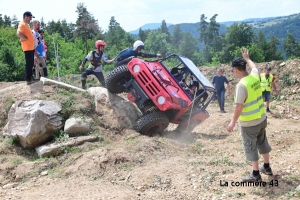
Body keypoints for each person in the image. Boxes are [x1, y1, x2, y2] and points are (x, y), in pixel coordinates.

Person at [227, 48, 273, 182]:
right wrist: (247, 58)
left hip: (249, 123)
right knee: (262, 142)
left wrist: (233, 122)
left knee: (251, 146)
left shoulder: (241, 85)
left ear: (235, 69)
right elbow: (254, 67)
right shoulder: (254, 76)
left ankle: (256, 174)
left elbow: (238, 106)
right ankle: (267, 167)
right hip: (261, 119)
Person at [17, 11, 36, 85]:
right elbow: (18, 32)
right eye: (30, 17)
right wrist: (24, 37)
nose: (31, 19)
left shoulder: (27, 25)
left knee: (31, 63)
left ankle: (30, 77)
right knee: (29, 64)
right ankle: (28, 79)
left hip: (31, 48)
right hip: (27, 47)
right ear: (25, 16)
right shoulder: (22, 24)